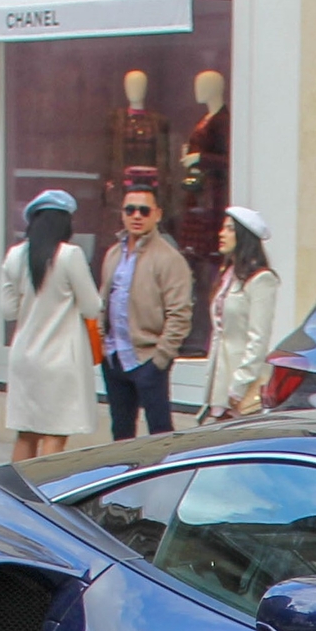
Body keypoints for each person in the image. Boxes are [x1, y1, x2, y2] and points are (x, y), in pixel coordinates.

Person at [0, 189, 103, 463]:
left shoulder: (14, 256)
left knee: (26, 433)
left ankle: (15, 496)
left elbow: (8, 310)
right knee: (54, 435)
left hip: (24, 357)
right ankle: (46, 495)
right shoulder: (70, 255)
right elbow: (92, 306)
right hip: (61, 360)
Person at [97, 183, 194, 440]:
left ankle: (166, 478)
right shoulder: (113, 253)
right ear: (123, 214)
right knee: (120, 434)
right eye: (130, 210)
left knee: (160, 434)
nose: (137, 216)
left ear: (157, 214)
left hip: (147, 358)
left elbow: (180, 313)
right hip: (115, 357)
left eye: (143, 210)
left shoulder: (169, 258)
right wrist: (101, 344)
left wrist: (160, 358)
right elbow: (103, 301)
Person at [200, 206, 280, 423]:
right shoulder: (227, 275)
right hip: (219, 382)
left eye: (229, 229)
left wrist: (239, 385)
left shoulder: (261, 280)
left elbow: (258, 339)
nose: (221, 234)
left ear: (243, 236)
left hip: (241, 386)